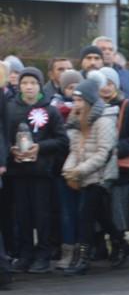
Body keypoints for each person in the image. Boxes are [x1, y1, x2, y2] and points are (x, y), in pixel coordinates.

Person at [61, 77, 129, 276]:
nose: (76, 105)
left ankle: (82, 258)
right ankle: (122, 243)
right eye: (75, 100)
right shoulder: (76, 121)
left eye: (80, 100)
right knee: (101, 215)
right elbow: (74, 150)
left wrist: (79, 170)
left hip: (100, 176)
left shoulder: (104, 120)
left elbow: (103, 153)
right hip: (84, 174)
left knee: (85, 215)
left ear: (90, 101)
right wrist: (68, 170)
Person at [5, 67, 68, 274]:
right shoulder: (10, 108)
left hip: (42, 172)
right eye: (24, 83)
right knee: (22, 215)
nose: (28, 87)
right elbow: (4, 136)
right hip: (18, 171)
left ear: (39, 85)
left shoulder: (50, 110)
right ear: (19, 86)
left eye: (33, 83)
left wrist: (40, 147)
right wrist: (11, 150)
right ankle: (25, 253)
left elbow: (61, 140)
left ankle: (43, 254)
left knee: (42, 214)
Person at [98, 66, 129, 267]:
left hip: (120, 167)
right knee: (100, 209)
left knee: (116, 211)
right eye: (102, 84)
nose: (106, 88)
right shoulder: (94, 107)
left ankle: (119, 244)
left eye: (110, 83)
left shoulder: (127, 105)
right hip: (98, 166)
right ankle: (118, 244)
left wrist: (118, 148)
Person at [50, 70, 84, 269]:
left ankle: (82, 249)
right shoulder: (54, 110)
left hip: (82, 169)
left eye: (76, 87)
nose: (73, 92)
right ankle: (68, 249)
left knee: (82, 211)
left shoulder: (87, 111)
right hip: (62, 169)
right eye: (69, 87)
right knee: (66, 212)